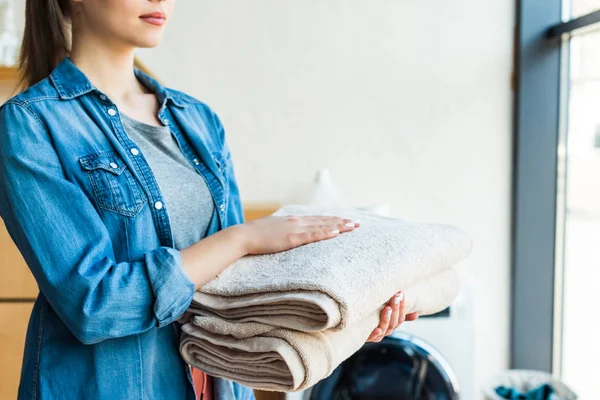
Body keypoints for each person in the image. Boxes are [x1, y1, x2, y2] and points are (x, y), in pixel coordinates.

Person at [0, 0, 417, 399]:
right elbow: (94, 304)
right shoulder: (30, 125)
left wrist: (354, 311)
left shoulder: (197, 120)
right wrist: (240, 239)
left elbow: (240, 291)